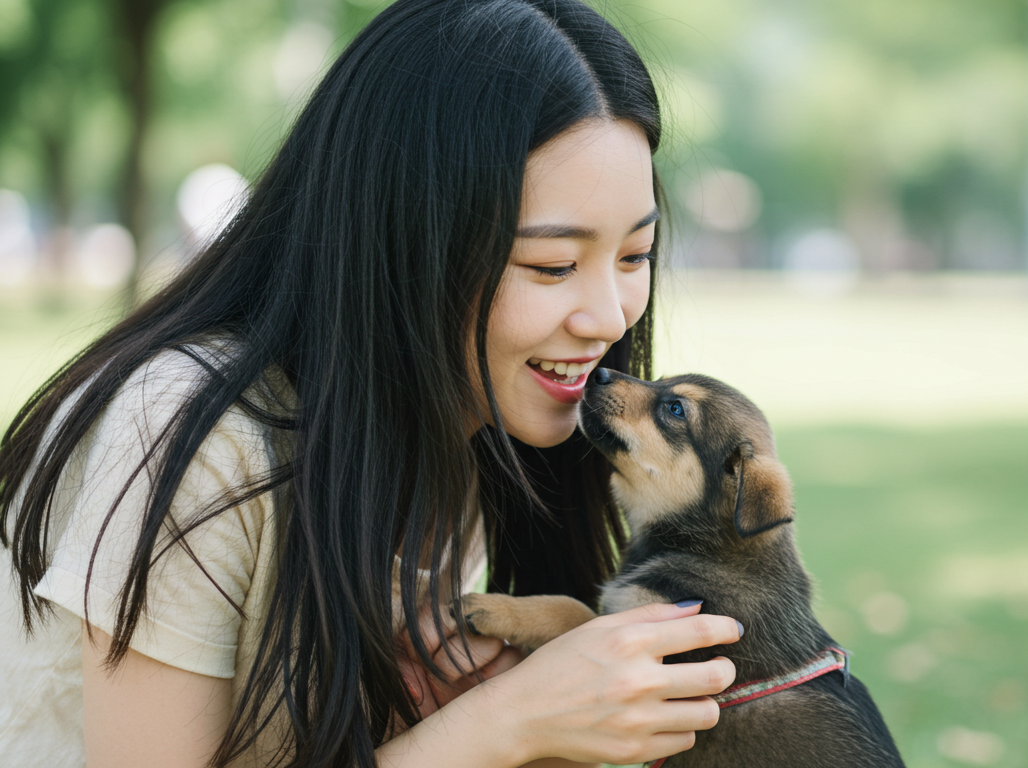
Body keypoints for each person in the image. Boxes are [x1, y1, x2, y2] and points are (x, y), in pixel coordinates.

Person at [0, 1, 743, 766]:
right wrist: (497, 728)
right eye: (551, 266)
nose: (608, 318)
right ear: (408, 243)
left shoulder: (463, 436)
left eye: (635, 256)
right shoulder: (191, 436)